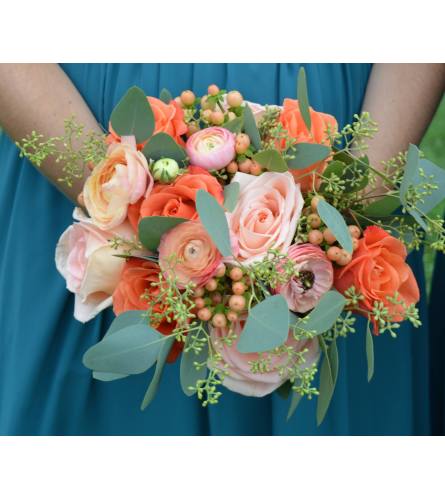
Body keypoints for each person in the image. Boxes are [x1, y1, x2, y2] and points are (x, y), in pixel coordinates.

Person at [0, 63, 443, 435]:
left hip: (337, 145)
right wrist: (121, 197)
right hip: (76, 133)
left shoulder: (336, 219)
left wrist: (343, 213)